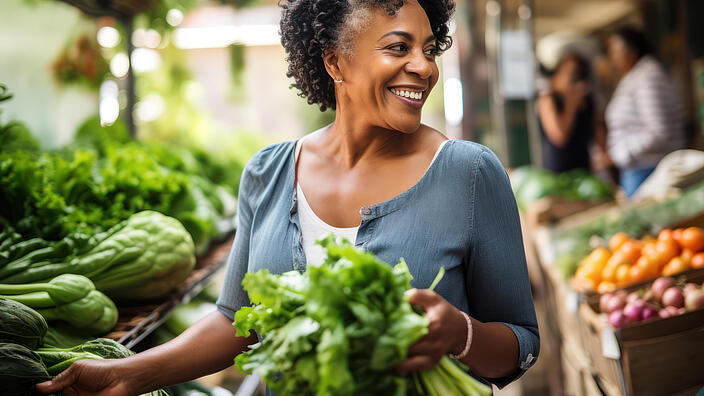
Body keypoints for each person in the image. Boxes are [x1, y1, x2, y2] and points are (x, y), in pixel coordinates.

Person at [37, 1, 539, 395]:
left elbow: (521, 345)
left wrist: (460, 334)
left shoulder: (469, 172)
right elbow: (238, 322)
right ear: (334, 61)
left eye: (429, 49)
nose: (423, 67)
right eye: (398, 47)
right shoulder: (269, 171)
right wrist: (128, 374)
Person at [602, 26, 686, 197]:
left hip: (650, 171)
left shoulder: (648, 77)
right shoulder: (637, 76)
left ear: (630, 50)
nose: (612, 57)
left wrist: (619, 154)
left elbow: (658, 130)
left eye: (615, 51)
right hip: (641, 170)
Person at [537, 53, 598, 173]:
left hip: (583, 169)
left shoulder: (586, 101)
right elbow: (560, 136)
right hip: (558, 171)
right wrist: (571, 105)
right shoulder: (549, 100)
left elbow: (594, 134)